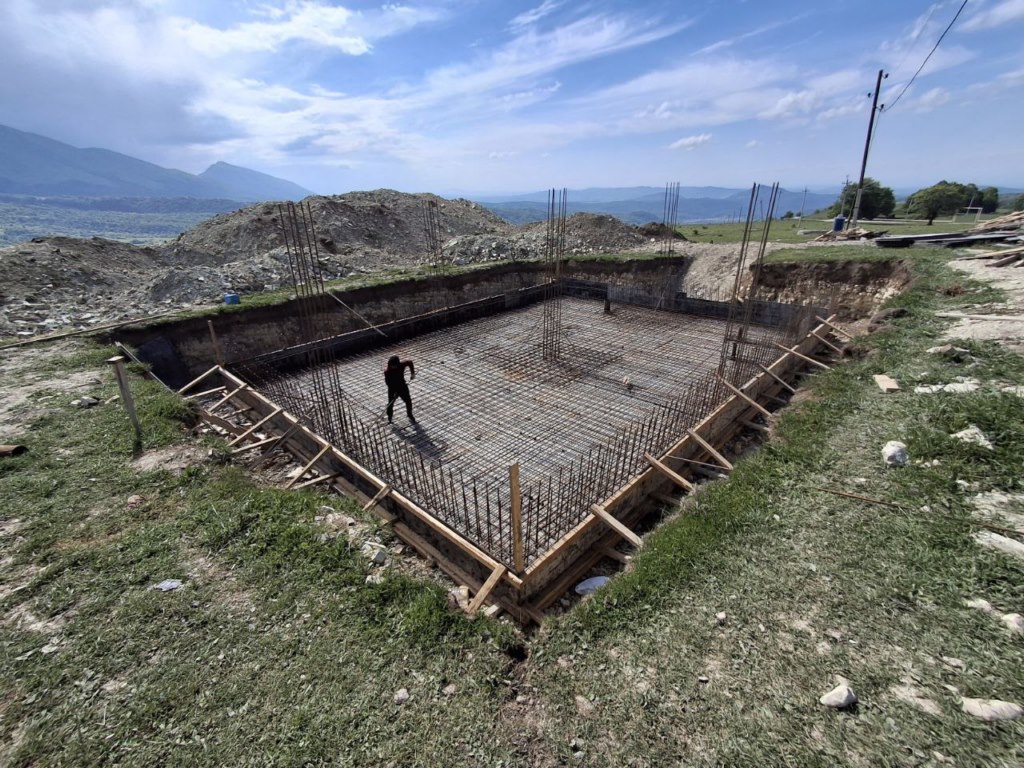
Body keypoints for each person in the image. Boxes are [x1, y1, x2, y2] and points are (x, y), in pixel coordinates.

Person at [384, 354, 416, 424]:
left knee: (408, 401)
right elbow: (388, 383)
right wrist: (395, 392)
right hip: (392, 388)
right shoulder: (387, 372)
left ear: (398, 364)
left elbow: (409, 362)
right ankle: (390, 416)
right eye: (392, 365)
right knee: (390, 403)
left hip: (402, 385)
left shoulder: (401, 365)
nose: (393, 367)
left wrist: (412, 373)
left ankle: (409, 414)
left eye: (395, 365)